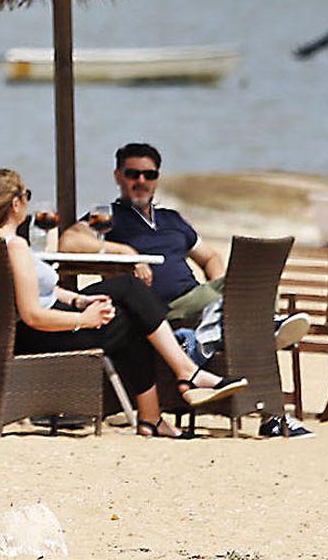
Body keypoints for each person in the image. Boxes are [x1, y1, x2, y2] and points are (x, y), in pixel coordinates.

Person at [0, 167, 249, 438]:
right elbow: (33, 314)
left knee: (129, 299)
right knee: (132, 310)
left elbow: (42, 293)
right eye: (27, 196)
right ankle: (179, 383)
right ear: (14, 204)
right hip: (39, 336)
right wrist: (83, 320)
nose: (27, 203)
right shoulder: (16, 246)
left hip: (18, 334)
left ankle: (158, 410)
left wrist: (79, 299)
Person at [58, 141, 314, 438]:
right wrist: (124, 251)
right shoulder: (109, 217)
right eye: (133, 174)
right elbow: (69, 242)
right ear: (118, 176)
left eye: (149, 175)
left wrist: (219, 296)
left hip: (196, 301)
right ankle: (271, 402)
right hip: (159, 311)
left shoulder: (172, 219)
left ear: (157, 178)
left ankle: (236, 330)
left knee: (248, 299)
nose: (141, 181)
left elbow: (210, 257)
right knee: (251, 309)